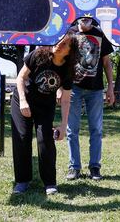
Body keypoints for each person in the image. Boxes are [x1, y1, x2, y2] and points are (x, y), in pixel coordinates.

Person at [11, 32, 79, 195]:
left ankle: (49, 183)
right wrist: (23, 101)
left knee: (45, 140)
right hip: (22, 99)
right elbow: (20, 78)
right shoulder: (38, 54)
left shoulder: (68, 70)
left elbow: (65, 99)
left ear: (70, 51)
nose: (59, 45)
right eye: (59, 41)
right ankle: (22, 181)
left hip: (45, 106)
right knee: (22, 137)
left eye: (64, 44)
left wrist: (63, 125)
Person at [59, 17, 115, 181]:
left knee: (96, 130)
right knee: (71, 130)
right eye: (83, 19)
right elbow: (61, 60)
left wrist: (110, 87)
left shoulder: (99, 34)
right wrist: (61, 88)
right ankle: (74, 167)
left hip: (96, 89)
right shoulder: (69, 33)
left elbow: (106, 62)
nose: (86, 21)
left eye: (89, 19)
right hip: (73, 88)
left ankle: (95, 167)